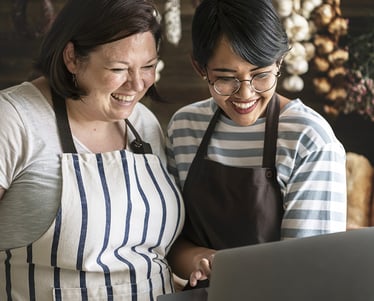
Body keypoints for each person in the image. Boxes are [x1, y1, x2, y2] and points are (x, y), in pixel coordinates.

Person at [0, 0, 185, 300]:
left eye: (148, 66)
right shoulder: (13, 119)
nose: (137, 84)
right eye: (118, 68)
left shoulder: (143, 122)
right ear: (72, 57)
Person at [166, 0, 347, 289]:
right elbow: (170, 241)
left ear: (279, 62)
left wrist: (235, 273)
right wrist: (203, 259)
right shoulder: (185, 127)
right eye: (225, 79)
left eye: (261, 74)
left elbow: (311, 271)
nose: (245, 94)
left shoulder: (309, 139)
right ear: (200, 67)